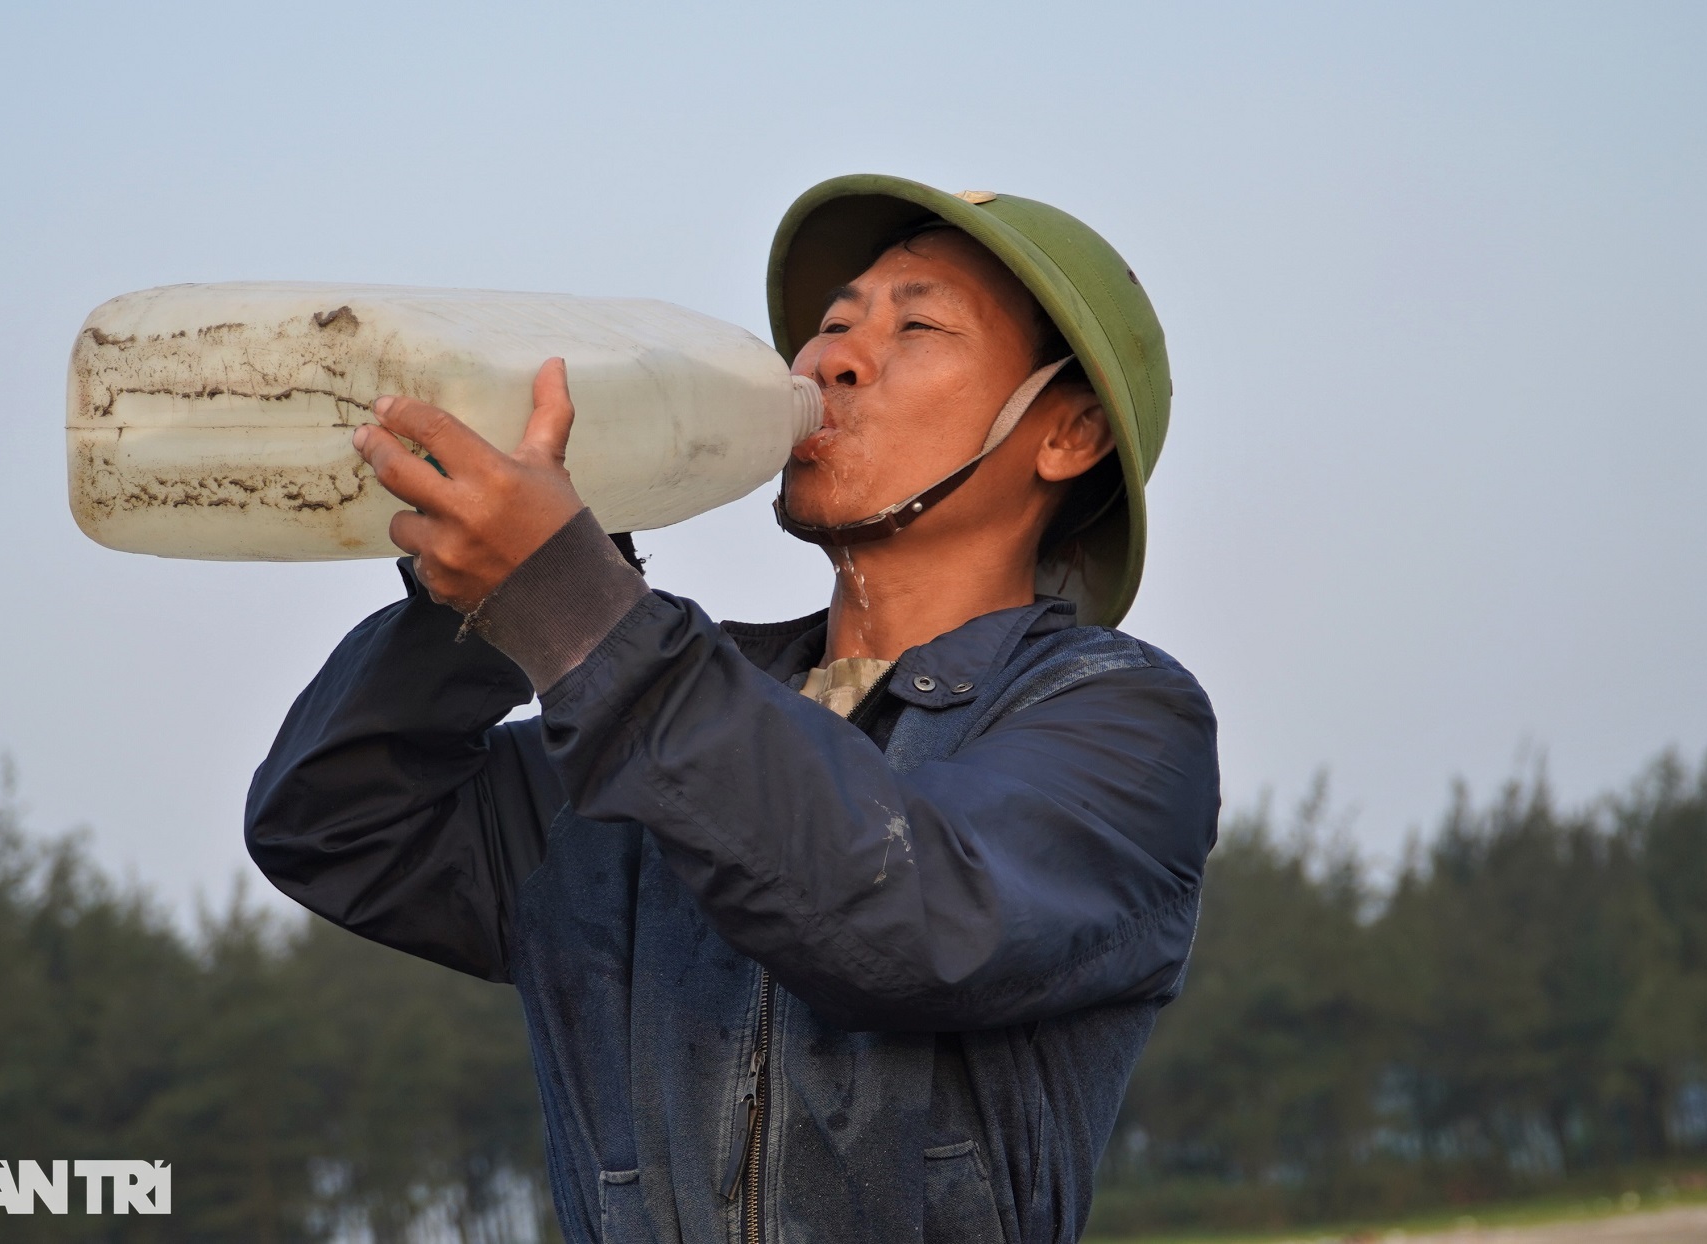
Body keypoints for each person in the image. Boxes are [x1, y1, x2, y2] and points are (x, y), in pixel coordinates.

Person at [247, 174, 1219, 1244]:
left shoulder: (1118, 720)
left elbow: (904, 914)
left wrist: (577, 610)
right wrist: (488, 596)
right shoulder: (646, 706)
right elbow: (338, 823)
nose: (831, 356)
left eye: (919, 324)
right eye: (834, 322)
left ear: (1068, 433)